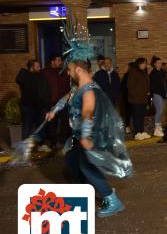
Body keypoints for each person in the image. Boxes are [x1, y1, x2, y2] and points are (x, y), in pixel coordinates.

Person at [45, 17, 132, 217]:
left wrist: (85, 137)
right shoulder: (77, 88)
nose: (67, 74)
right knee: (73, 165)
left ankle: (112, 199)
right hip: (77, 136)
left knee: (87, 167)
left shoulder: (89, 90)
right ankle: (82, 197)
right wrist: (53, 110)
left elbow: (87, 113)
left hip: (88, 137)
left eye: (68, 70)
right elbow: (65, 98)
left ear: (77, 69)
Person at [41, 54, 71, 150]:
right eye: (58, 60)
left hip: (63, 102)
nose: (60, 62)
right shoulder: (45, 72)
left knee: (65, 122)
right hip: (51, 102)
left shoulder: (63, 72)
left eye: (60, 60)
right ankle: (53, 142)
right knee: (52, 123)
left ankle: (63, 141)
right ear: (52, 62)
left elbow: (67, 86)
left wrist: (67, 97)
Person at [16, 59, 50, 142]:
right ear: (31, 67)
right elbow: (19, 80)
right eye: (37, 66)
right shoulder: (24, 76)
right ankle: (25, 146)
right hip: (28, 107)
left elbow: (45, 89)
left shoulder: (41, 76)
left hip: (40, 107)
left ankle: (40, 145)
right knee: (27, 128)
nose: (40, 68)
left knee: (40, 128)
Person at [128, 57, 150, 140]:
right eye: (143, 63)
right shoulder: (133, 72)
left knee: (141, 116)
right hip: (136, 99)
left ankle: (142, 131)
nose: (145, 65)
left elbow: (146, 83)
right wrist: (135, 96)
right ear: (139, 64)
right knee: (137, 116)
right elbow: (130, 86)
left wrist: (148, 91)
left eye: (145, 63)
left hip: (143, 98)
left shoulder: (144, 72)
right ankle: (137, 133)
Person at [149, 56, 167, 137]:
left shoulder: (162, 72)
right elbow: (152, 86)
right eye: (158, 63)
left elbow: (165, 83)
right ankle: (157, 128)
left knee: (162, 111)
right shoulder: (153, 73)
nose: (160, 64)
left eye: (161, 63)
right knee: (159, 110)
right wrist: (151, 95)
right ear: (154, 64)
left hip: (164, 94)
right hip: (157, 94)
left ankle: (159, 127)